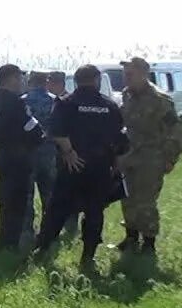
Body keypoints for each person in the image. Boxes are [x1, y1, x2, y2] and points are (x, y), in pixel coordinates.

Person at [34, 65, 128, 269]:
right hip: (100, 167)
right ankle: (88, 256)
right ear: (97, 80)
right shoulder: (109, 105)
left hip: (72, 165)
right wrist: (116, 167)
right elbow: (120, 140)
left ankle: (42, 249)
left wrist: (69, 152)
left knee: (57, 209)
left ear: (76, 81)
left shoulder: (67, 103)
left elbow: (55, 131)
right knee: (94, 212)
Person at [114, 57, 182, 254]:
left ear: (143, 74)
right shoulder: (127, 95)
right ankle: (131, 237)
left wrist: (170, 158)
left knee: (145, 201)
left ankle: (148, 243)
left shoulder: (160, 100)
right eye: (125, 74)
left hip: (151, 158)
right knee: (127, 199)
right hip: (129, 156)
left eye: (130, 74)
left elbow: (176, 131)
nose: (126, 78)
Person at [0, 63, 45, 251]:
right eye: (20, 78)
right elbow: (33, 129)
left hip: (2, 156)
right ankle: (16, 242)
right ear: (12, 79)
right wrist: (38, 138)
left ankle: (3, 240)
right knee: (19, 202)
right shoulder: (16, 103)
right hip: (19, 157)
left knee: (5, 200)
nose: (22, 81)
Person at [21, 71, 77, 242]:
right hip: (51, 153)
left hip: (27, 153)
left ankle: (27, 232)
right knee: (51, 193)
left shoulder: (22, 100)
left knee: (27, 195)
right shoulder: (56, 101)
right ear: (46, 82)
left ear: (30, 81)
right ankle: (51, 230)